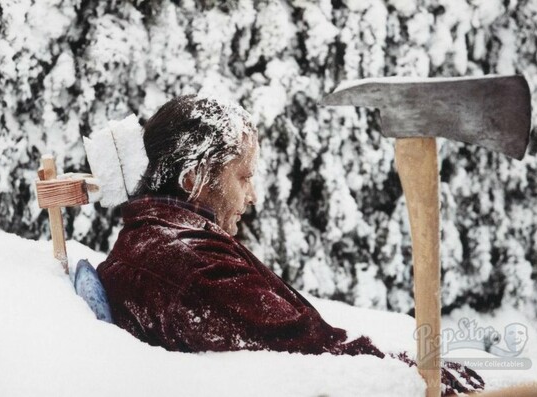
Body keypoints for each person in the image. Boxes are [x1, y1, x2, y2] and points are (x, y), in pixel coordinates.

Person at [97, 95, 483, 395]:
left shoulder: (159, 240)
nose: (252, 196)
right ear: (192, 179)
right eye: (244, 177)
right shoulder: (191, 268)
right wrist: (414, 373)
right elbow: (313, 354)